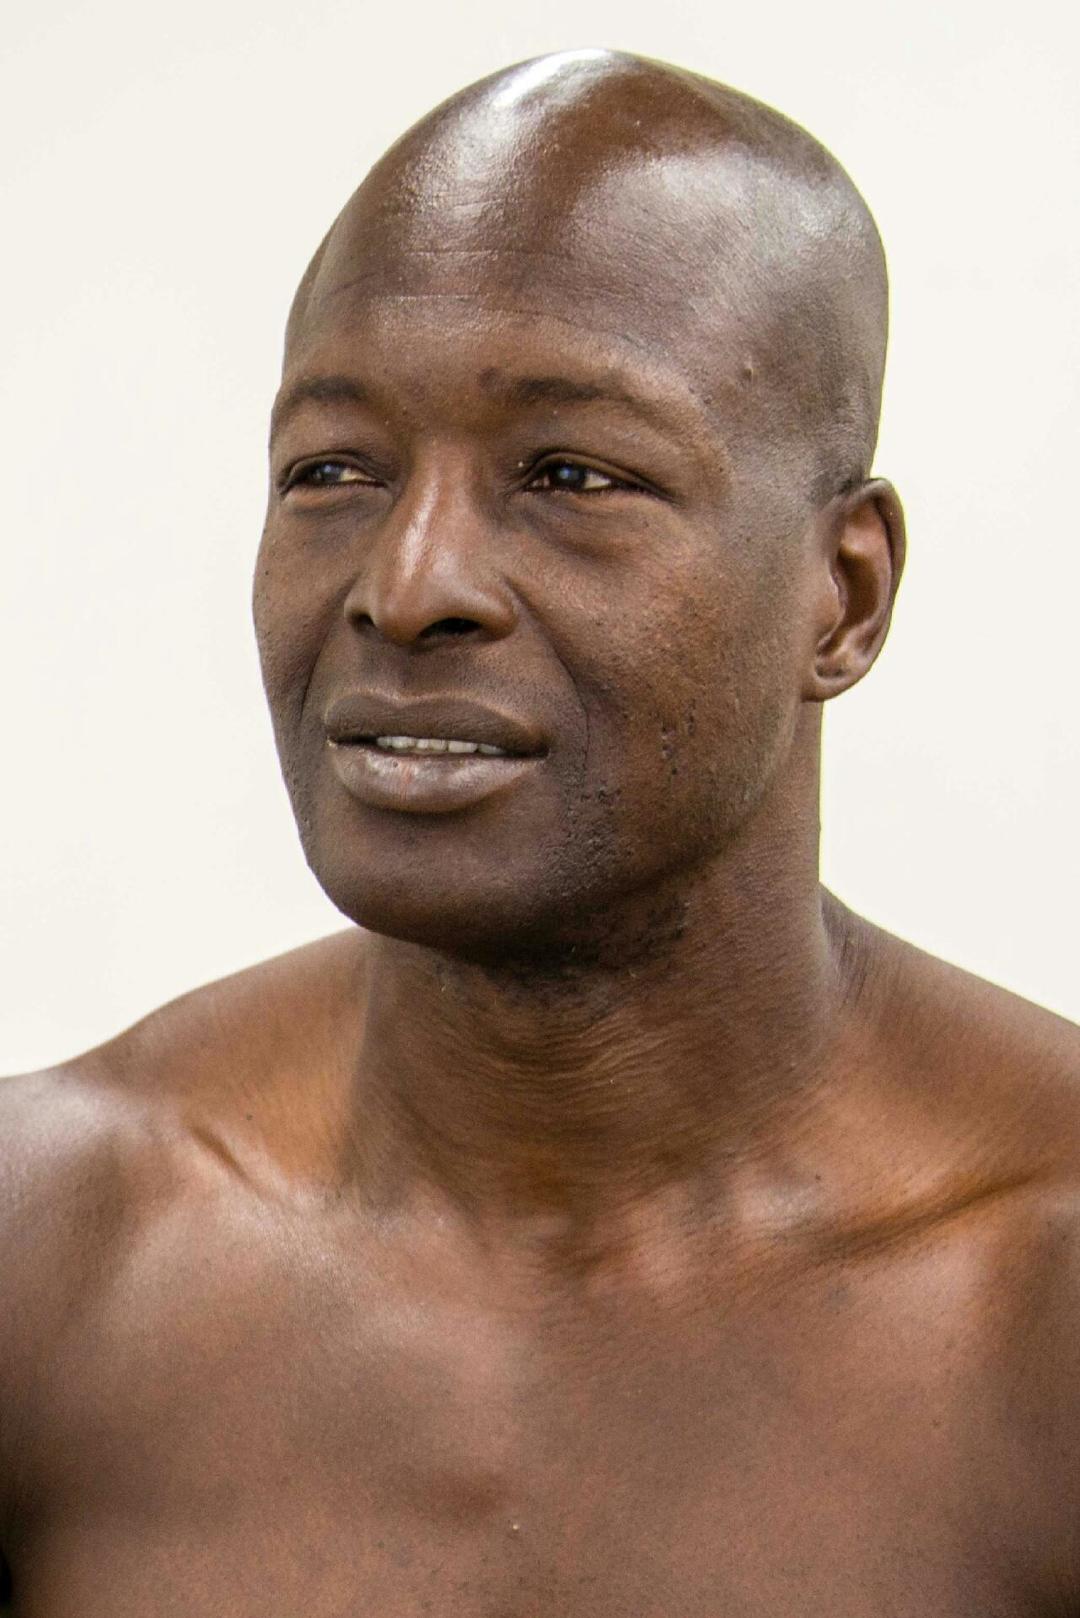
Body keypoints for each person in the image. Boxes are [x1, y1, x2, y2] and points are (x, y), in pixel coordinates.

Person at [1, 46, 1077, 1615]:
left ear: (842, 595)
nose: (407, 582)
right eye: (333, 470)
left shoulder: (1041, 1303)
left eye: (571, 474)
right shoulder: (49, 1250)